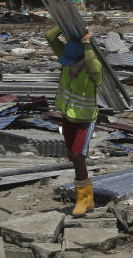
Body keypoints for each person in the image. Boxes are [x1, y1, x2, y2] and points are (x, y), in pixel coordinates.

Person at [45, 26, 102, 216]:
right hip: (67, 117)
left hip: (85, 120)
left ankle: (82, 201)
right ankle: (89, 198)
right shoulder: (68, 57)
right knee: (74, 157)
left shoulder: (93, 69)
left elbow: (93, 65)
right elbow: (50, 36)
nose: (67, 66)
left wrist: (87, 45)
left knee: (78, 156)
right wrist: (66, 22)